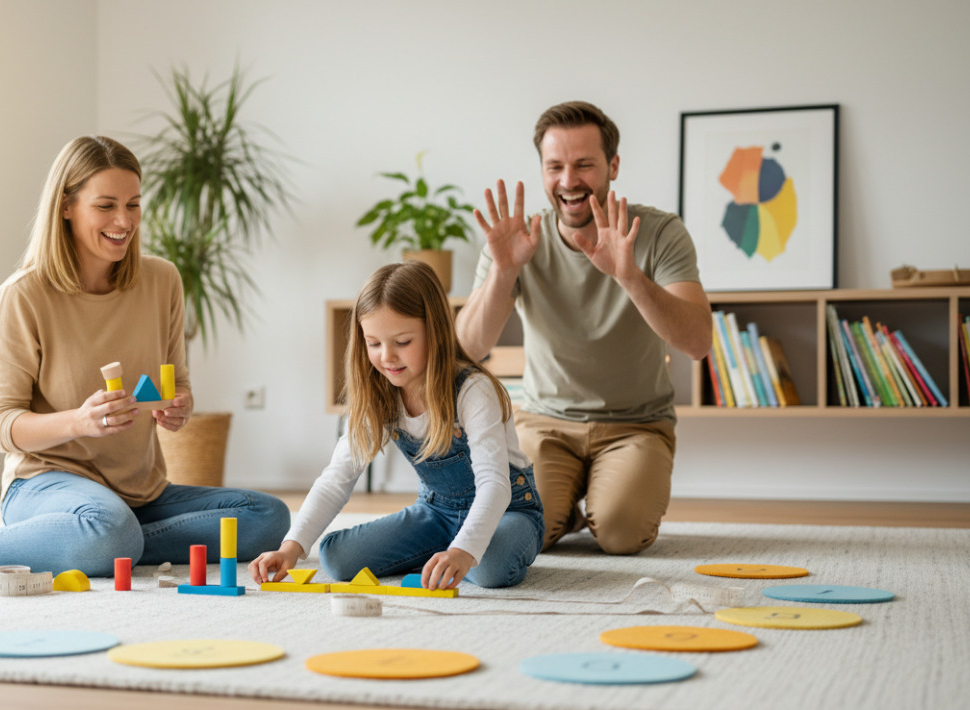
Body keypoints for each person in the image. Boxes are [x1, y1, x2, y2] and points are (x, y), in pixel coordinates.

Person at [0, 136, 290, 577]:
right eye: (106, 205)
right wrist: (79, 422)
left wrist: (179, 406)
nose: (124, 220)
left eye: (134, 204)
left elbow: (178, 382)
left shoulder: (162, 281)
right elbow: (0, 425)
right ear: (65, 206)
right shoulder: (22, 297)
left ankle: (101, 537)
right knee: (111, 532)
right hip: (44, 483)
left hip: (141, 493)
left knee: (269, 518)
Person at [456, 101, 711, 556]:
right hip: (543, 421)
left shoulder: (658, 232)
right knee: (525, 528)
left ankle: (594, 504)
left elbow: (697, 343)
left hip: (637, 426)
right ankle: (567, 510)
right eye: (555, 166)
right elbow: (467, 347)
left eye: (584, 165)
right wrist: (503, 271)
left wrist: (630, 276)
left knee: (619, 534)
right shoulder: (516, 239)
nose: (568, 181)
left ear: (613, 165)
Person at [249, 260, 544, 590]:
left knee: (491, 567)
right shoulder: (378, 393)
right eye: (374, 343)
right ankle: (445, 552)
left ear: (435, 333)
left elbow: (495, 485)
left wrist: (463, 552)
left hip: (508, 511)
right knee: (337, 558)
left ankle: (454, 553)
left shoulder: (472, 390)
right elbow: (337, 479)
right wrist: (291, 548)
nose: (387, 357)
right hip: (437, 515)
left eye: (402, 342)